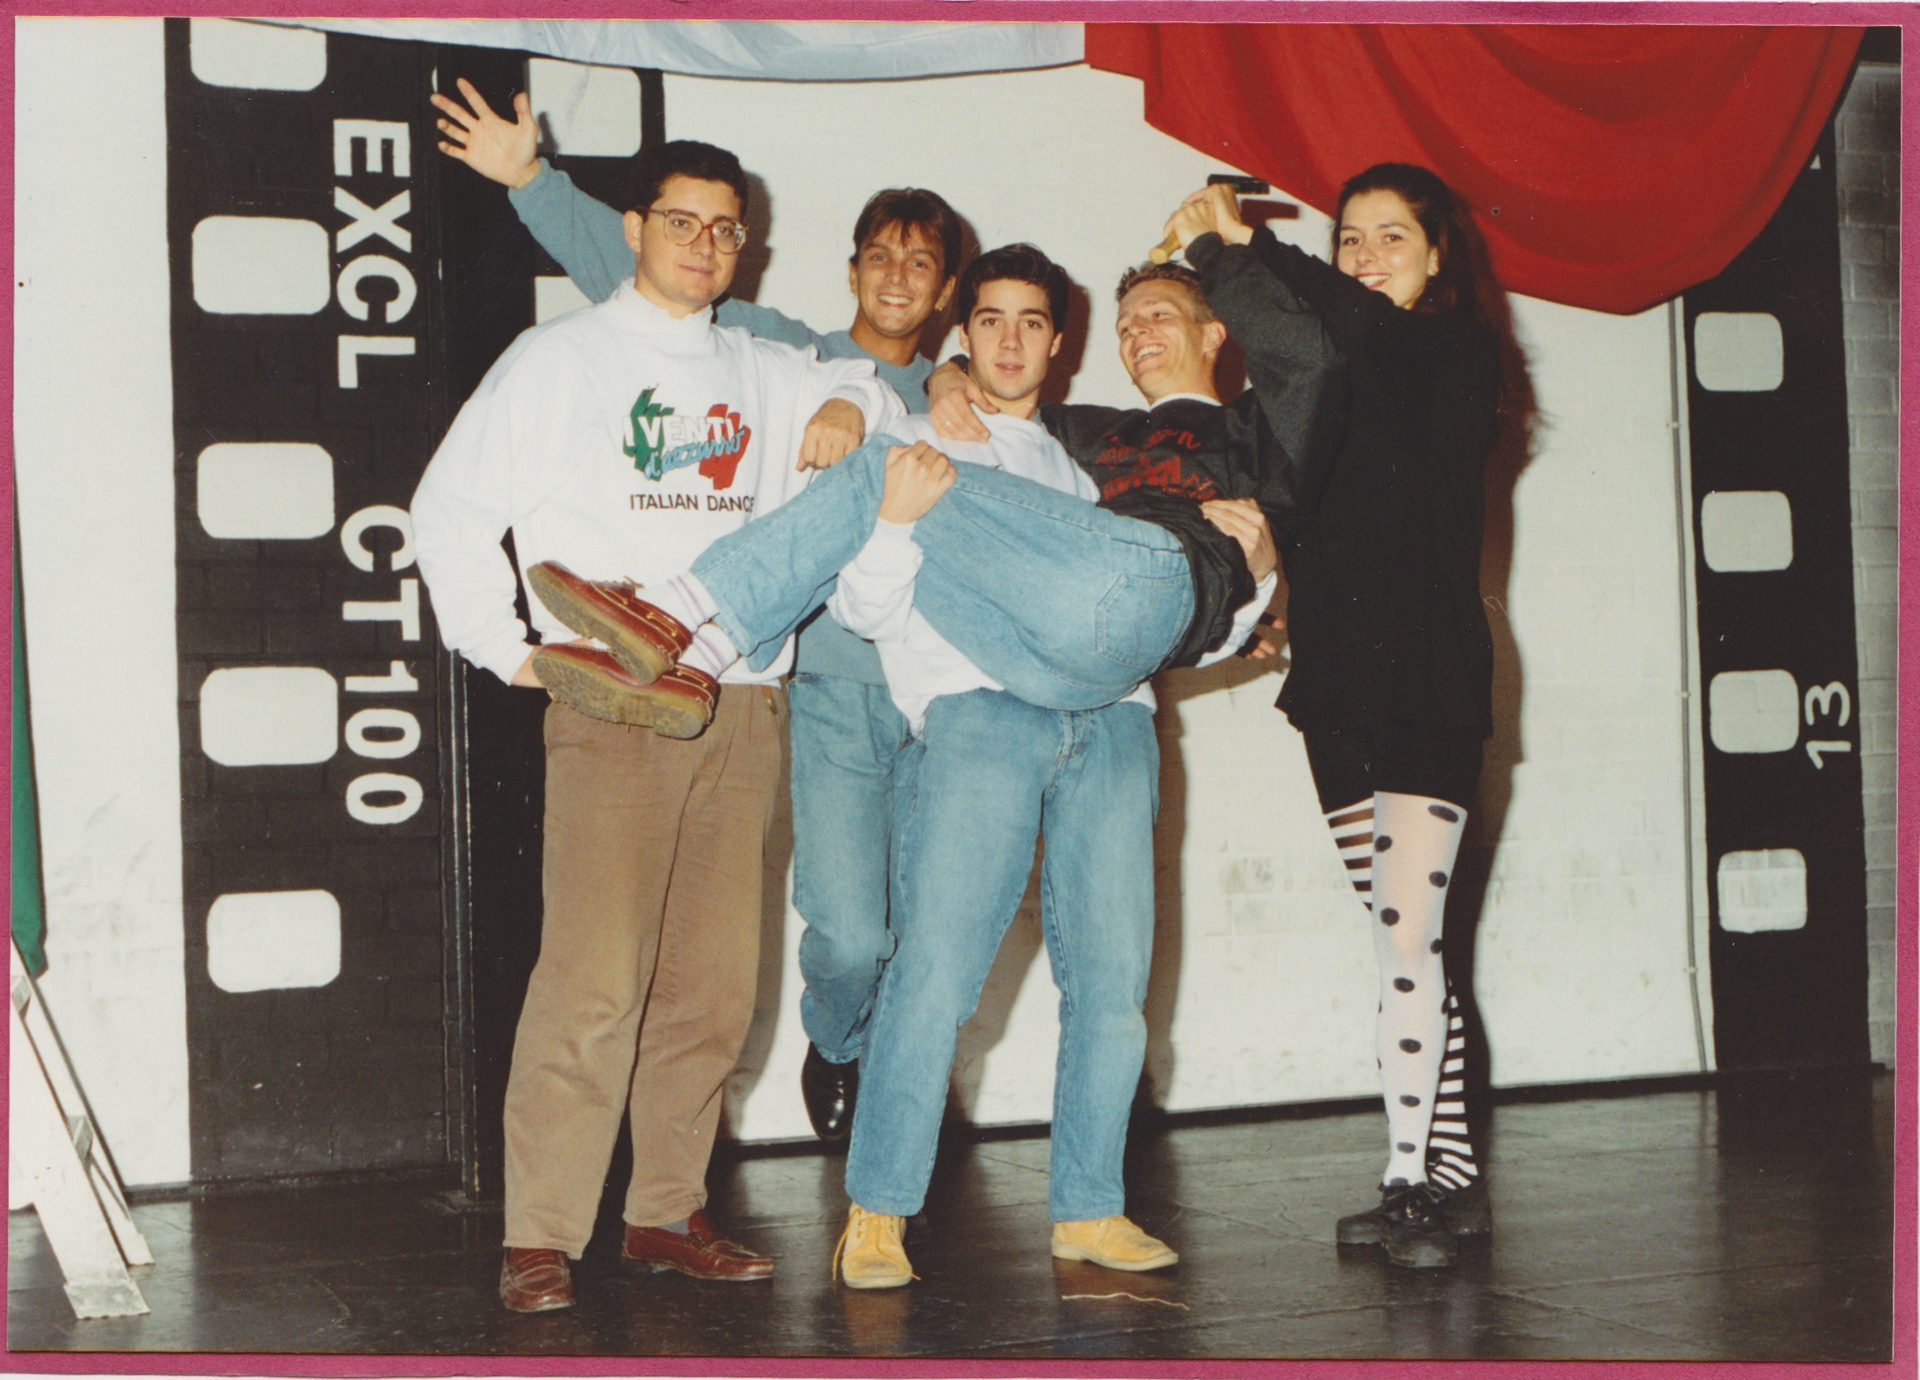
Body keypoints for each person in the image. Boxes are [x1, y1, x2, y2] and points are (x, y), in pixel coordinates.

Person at [543, 244, 1274, 1287]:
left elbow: (1169, 625)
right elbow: (870, 612)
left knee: (1113, 987)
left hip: (1110, 718)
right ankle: (880, 1210)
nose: (1010, 341)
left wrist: (1256, 578)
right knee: (934, 972)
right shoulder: (917, 438)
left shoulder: (1089, 468)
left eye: (1032, 323)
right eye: (991, 321)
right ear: (960, 337)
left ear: (1058, 346)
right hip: (981, 715)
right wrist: (892, 520)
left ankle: (1091, 1207)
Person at [410, 137, 904, 1313]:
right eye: (682, 222)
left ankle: (666, 1209)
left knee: (713, 985)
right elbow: (448, 508)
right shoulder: (562, 358)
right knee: (594, 978)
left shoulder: (767, 367)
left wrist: (845, 401)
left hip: (745, 698)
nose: (705, 245)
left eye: (727, 228)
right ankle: (540, 1232)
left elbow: (882, 391)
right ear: (633, 229)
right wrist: (510, 652)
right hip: (617, 702)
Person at [1160, 168, 1508, 1270]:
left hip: (1427, 680)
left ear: (1438, 255)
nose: (1365, 256)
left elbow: (1354, 333)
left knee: (1406, 941)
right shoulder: (1336, 371)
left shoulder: (1451, 353)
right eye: (1350, 238)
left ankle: (1410, 1183)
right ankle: (1452, 1178)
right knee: (1407, 938)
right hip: (1338, 684)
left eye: (1390, 237)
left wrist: (1230, 249)